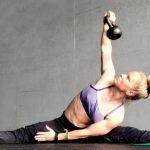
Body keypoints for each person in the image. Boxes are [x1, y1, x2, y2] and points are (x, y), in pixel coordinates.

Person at [0, 11, 150, 144]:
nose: (123, 74)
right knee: (21, 135)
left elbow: (87, 132)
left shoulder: (117, 114)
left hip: (88, 133)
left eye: (128, 78)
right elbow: (106, 48)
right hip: (62, 124)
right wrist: (106, 25)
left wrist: (56, 137)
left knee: (130, 134)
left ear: (130, 92)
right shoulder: (108, 77)